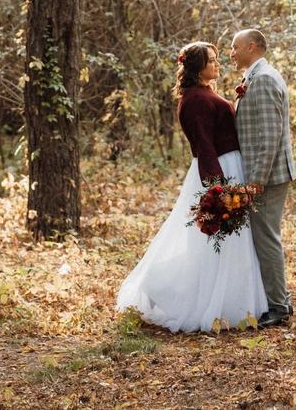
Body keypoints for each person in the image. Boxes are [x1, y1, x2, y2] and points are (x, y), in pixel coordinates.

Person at [115, 41, 268, 332]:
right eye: (211, 60)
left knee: (230, 245)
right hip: (220, 169)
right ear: (198, 67)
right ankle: (167, 287)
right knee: (215, 243)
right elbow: (205, 147)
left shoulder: (204, 93)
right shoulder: (194, 100)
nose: (217, 64)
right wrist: (218, 190)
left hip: (231, 166)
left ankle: (231, 300)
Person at [231, 27, 296, 328]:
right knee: (264, 237)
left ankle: (278, 307)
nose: (232, 52)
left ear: (252, 46)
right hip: (264, 173)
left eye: (235, 47)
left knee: (266, 238)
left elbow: (270, 136)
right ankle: (278, 297)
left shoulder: (266, 79)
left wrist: (256, 178)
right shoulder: (253, 78)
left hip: (269, 176)